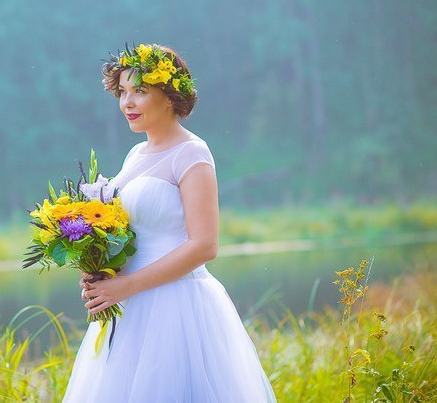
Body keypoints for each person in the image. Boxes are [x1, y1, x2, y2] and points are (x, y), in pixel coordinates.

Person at [62, 43, 277, 402]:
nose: (127, 103)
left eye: (140, 91)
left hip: (176, 308)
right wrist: (100, 272)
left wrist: (126, 287)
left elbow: (204, 245)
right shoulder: (135, 154)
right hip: (129, 309)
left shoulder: (192, 153)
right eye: (123, 92)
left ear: (168, 96)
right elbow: (130, 233)